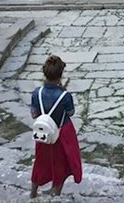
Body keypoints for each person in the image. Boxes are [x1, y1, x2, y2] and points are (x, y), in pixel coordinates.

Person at [30, 55, 82, 198]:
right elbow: (70, 112)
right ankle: (56, 194)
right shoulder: (65, 96)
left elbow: (34, 114)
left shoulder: (36, 93)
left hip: (43, 133)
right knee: (60, 164)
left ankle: (33, 192)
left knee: (40, 161)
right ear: (60, 75)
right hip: (60, 134)